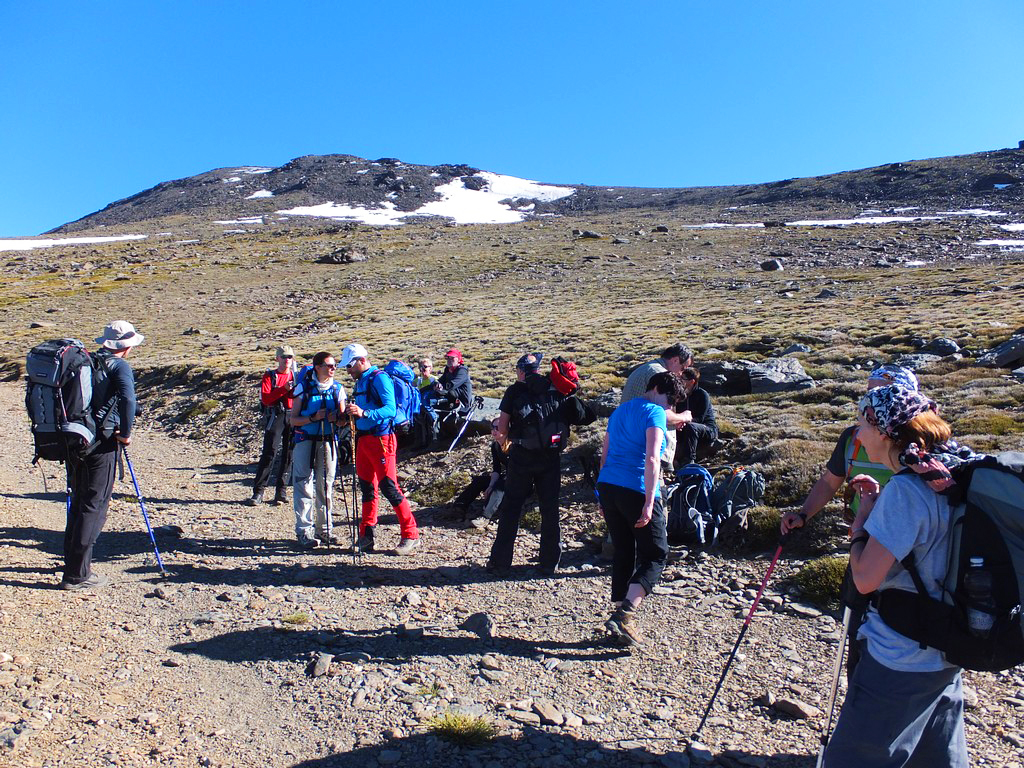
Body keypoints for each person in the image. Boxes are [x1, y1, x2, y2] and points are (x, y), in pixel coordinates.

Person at [822, 384, 967, 767]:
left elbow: (866, 578)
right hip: (947, 646)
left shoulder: (906, 490)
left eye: (860, 425)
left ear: (883, 431)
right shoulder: (948, 475)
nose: (857, 435)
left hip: (899, 657)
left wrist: (859, 525)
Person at [598, 371, 686, 645]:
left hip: (609, 485)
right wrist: (650, 501)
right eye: (670, 399)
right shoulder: (655, 413)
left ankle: (620, 613)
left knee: (624, 549)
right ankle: (625, 614)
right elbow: (652, 458)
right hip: (636, 486)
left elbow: (605, 453)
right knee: (656, 554)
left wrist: (601, 494)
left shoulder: (621, 410)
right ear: (658, 388)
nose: (669, 407)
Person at [487, 352, 596, 575]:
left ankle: (500, 564)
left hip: (521, 457)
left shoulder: (514, 391)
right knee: (550, 510)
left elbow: (504, 429)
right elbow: (582, 417)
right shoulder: (556, 388)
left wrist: (500, 435)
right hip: (551, 458)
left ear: (521, 371)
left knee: (511, 508)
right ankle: (549, 564)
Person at [779, 365, 920, 536]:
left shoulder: (923, 444)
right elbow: (829, 482)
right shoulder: (852, 438)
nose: (872, 398)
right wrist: (803, 515)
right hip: (863, 534)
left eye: (882, 391)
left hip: (908, 540)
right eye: (869, 391)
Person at [61, 321, 143, 590]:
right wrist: (126, 434)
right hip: (102, 444)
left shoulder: (88, 362)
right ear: (127, 345)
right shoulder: (119, 366)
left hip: (75, 439)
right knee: (94, 505)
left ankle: (71, 562)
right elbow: (128, 400)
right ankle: (77, 575)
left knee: (79, 499)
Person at [343, 343, 420, 555]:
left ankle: (411, 534)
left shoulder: (379, 378)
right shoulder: (361, 381)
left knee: (389, 487)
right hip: (364, 440)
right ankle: (366, 536)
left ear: (361, 360)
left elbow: (390, 409)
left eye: (349, 366)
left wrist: (364, 413)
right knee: (367, 488)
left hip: (381, 440)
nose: (348, 371)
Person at [289, 352, 346, 550]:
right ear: (317, 367)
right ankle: (304, 530)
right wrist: (313, 418)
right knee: (303, 483)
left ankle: (325, 529)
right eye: (329, 365)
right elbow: (293, 419)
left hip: (329, 440)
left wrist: (338, 418)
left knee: (326, 485)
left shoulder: (338, 389)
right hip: (305, 440)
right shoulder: (302, 388)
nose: (333, 369)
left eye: (334, 365)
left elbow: (342, 419)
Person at [620, 343, 693, 468]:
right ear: (675, 360)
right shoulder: (662, 376)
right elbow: (662, 415)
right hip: (650, 450)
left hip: (629, 444)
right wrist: (684, 417)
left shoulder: (646, 368)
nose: (681, 374)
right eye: (683, 368)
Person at [247, 346, 296, 506]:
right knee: (270, 453)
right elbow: (266, 399)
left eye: (290, 357)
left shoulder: (296, 376)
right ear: (277, 359)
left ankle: (281, 492)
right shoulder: (270, 376)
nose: (287, 359)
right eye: (284, 357)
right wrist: (284, 389)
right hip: (276, 415)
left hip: (293, 415)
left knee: (289, 454)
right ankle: (258, 492)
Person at [451, 418, 510, 527]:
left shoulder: (515, 445)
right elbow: (496, 469)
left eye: (498, 428)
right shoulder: (495, 446)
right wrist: (490, 485)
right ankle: (459, 506)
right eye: (492, 427)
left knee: (500, 485)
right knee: (479, 481)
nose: (494, 431)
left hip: (520, 480)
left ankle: (485, 517)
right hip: (507, 477)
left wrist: (494, 486)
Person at [673, 367, 718, 467]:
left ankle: (689, 461)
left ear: (692, 381)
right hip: (686, 426)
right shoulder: (680, 396)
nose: (679, 381)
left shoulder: (702, 394)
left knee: (691, 427)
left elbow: (700, 418)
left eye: (682, 379)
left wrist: (683, 421)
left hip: (707, 429)